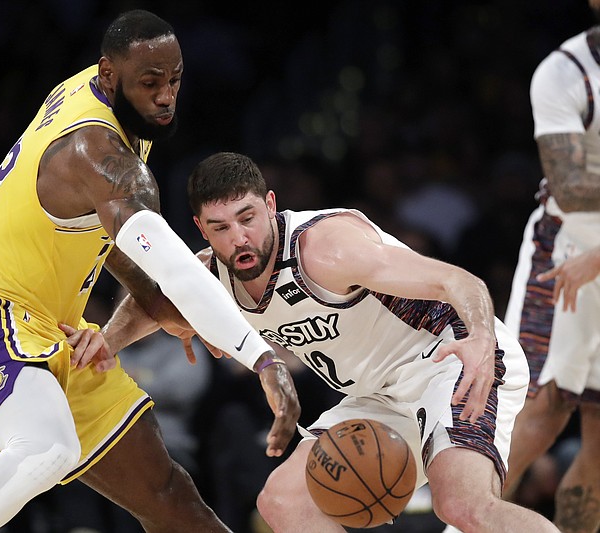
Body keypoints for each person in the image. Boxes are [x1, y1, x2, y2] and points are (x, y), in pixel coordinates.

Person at [0, 11, 299, 533]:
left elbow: (106, 232)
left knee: (169, 497)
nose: (166, 96)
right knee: (46, 448)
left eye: (175, 79)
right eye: (151, 83)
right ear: (108, 75)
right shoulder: (97, 154)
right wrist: (261, 359)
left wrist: (157, 302)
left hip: (59, 332)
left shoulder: (110, 104)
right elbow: (176, 268)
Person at [73, 152, 559, 532]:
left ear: (269, 205)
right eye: (220, 228)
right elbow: (153, 302)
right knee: (282, 501)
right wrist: (108, 342)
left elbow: (459, 281)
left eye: (247, 218)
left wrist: (478, 339)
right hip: (379, 395)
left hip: (450, 357)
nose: (239, 238)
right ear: (201, 229)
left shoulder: (325, 247)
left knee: (462, 505)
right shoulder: (211, 276)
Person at [502, 3, 600, 531]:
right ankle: (461, 522)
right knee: (539, 412)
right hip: (567, 250)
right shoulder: (565, 72)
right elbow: (572, 189)